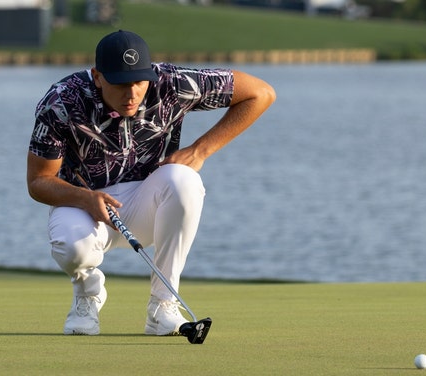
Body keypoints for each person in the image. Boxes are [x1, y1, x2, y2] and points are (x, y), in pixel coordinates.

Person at [26, 30, 275, 336]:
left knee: (184, 181)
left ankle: (163, 307)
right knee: (71, 249)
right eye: (120, 83)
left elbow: (261, 93)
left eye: (139, 82)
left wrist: (201, 150)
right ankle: (87, 294)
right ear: (98, 76)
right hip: (84, 203)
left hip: (149, 201)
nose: (132, 94)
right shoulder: (61, 101)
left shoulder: (172, 83)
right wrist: (84, 198)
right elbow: (39, 182)